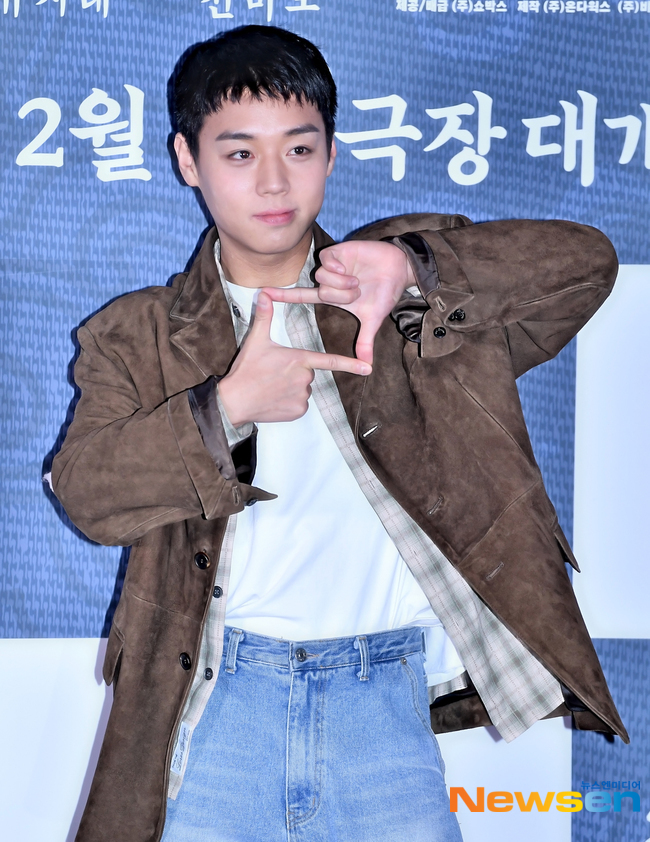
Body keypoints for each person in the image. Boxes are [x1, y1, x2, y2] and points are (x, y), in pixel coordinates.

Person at [52, 24, 626, 842]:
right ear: (189, 161)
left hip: (382, 704)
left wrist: (417, 267)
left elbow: (587, 264)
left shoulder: (391, 293)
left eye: (299, 148)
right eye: (239, 153)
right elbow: (86, 492)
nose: (274, 180)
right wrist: (226, 406)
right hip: (218, 707)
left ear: (330, 153)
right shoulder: (134, 335)